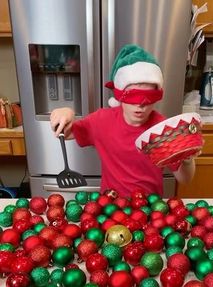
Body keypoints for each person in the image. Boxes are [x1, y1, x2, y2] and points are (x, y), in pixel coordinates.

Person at [50, 44, 198, 197]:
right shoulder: (101, 121)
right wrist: (66, 112)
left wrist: (187, 159)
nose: (140, 105)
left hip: (151, 209)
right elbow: (66, 133)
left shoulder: (163, 130)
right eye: (133, 97)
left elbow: (185, 179)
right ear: (119, 94)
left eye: (149, 98)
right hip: (110, 207)